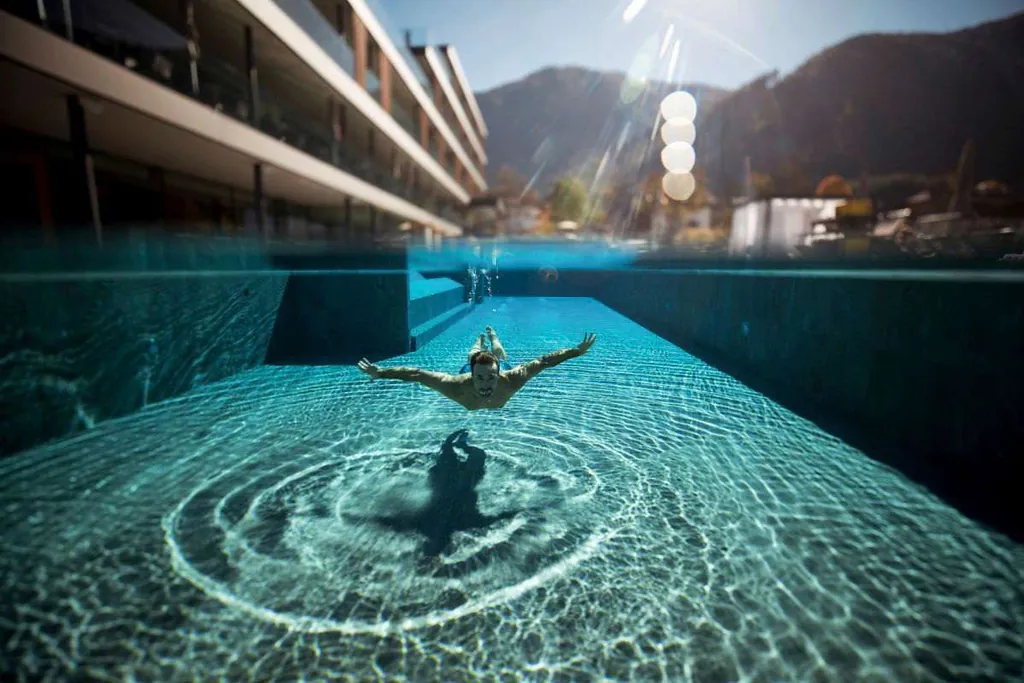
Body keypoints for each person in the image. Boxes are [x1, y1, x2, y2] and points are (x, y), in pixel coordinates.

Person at [357, 326, 597, 410]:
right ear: (471, 375)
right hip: (471, 365)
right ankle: (480, 341)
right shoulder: (455, 385)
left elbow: (544, 361)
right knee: (473, 352)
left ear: (498, 374)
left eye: (491, 377)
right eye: (480, 378)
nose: (486, 384)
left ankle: (493, 337)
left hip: (498, 363)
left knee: (500, 352)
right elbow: (418, 374)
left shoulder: (510, 379)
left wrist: (576, 351)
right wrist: (381, 372)